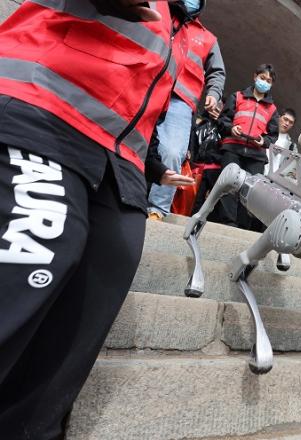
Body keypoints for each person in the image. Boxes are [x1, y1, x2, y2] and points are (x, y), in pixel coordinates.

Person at [0, 1, 195, 437]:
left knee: (99, 287)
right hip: (42, 112)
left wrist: (154, 167)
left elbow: (132, 96)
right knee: (43, 248)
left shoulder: (179, 28)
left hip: (119, 163)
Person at [147, 0, 225, 221]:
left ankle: (156, 209)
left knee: (172, 152)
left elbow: (217, 73)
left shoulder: (208, 38)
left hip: (180, 100)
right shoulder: (160, 14)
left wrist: (214, 93)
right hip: (149, 86)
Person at [215, 64, 280, 230]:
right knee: (228, 186)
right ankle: (227, 223)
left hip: (255, 155)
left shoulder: (272, 109)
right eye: (262, 78)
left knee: (250, 191)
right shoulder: (237, 97)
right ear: (255, 76)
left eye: (269, 81)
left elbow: (273, 136)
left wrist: (263, 141)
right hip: (233, 149)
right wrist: (231, 129)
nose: (264, 82)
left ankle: (243, 226)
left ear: (272, 85)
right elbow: (222, 120)